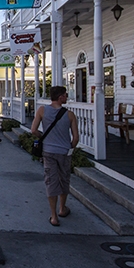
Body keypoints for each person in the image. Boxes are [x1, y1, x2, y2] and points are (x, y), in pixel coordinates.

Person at [30, 86, 79, 227]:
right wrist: (70, 148)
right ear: (59, 97)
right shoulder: (69, 115)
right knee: (64, 179)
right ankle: (62, 208)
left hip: (48, 151)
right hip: (64, 152)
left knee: (51, 181)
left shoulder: (42, 111)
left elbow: (33, 130)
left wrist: (43, 137)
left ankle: (53, 216)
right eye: (65, 95)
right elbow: (75, 138)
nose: (66, 97)